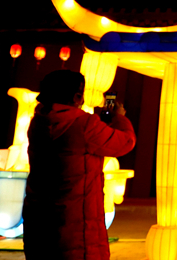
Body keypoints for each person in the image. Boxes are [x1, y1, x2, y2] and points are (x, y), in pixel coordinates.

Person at [23, 69, 136, 260]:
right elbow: (125, 142)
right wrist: (119, 117)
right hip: (78, 225)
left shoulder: (38, 122)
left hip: (39, 219)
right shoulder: (85, 125)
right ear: (76, 96)